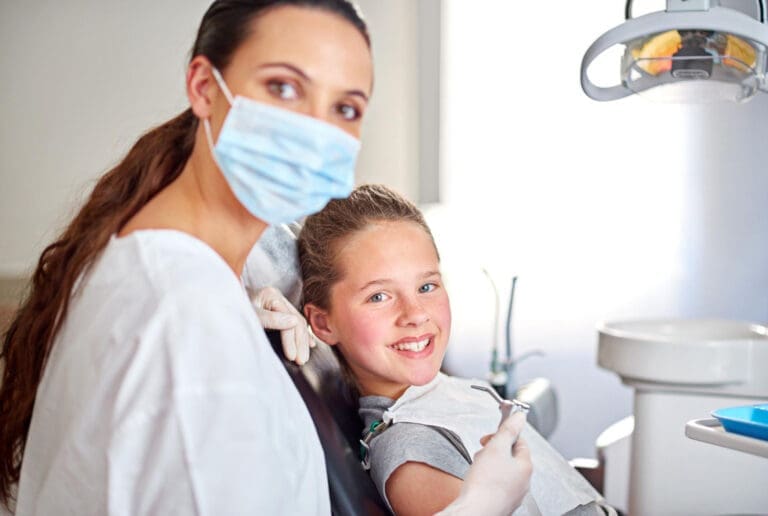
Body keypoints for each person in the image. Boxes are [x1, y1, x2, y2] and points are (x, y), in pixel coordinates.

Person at [0, 2, 531, 514]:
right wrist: (479, 506)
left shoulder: (206, 271)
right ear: (204, 87)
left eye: (345, 108)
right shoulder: (182, 322)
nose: (315, 129)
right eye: (284, 87)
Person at [299, 184, 608, 515]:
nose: (416, 314)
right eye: (379, 296)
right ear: (323, 323)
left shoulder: (443, 393)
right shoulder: (410, 452)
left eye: (426, 286)